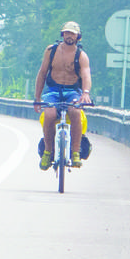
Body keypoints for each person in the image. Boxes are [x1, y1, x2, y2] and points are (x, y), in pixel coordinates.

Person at [33, 21, 93, 171]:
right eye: (66, 32)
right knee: (50, 113)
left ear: (78, 36)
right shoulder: (51, 51)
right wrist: (37, 98)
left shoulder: (81, 55)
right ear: (62, 34)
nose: (69, 36)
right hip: (53, 90)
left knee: (75, 112)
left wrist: (85, 93)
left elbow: (86, 76)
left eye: (72, 33)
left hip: (72, 91)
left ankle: (75, 152)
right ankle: (48, 151)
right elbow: (42, 73)